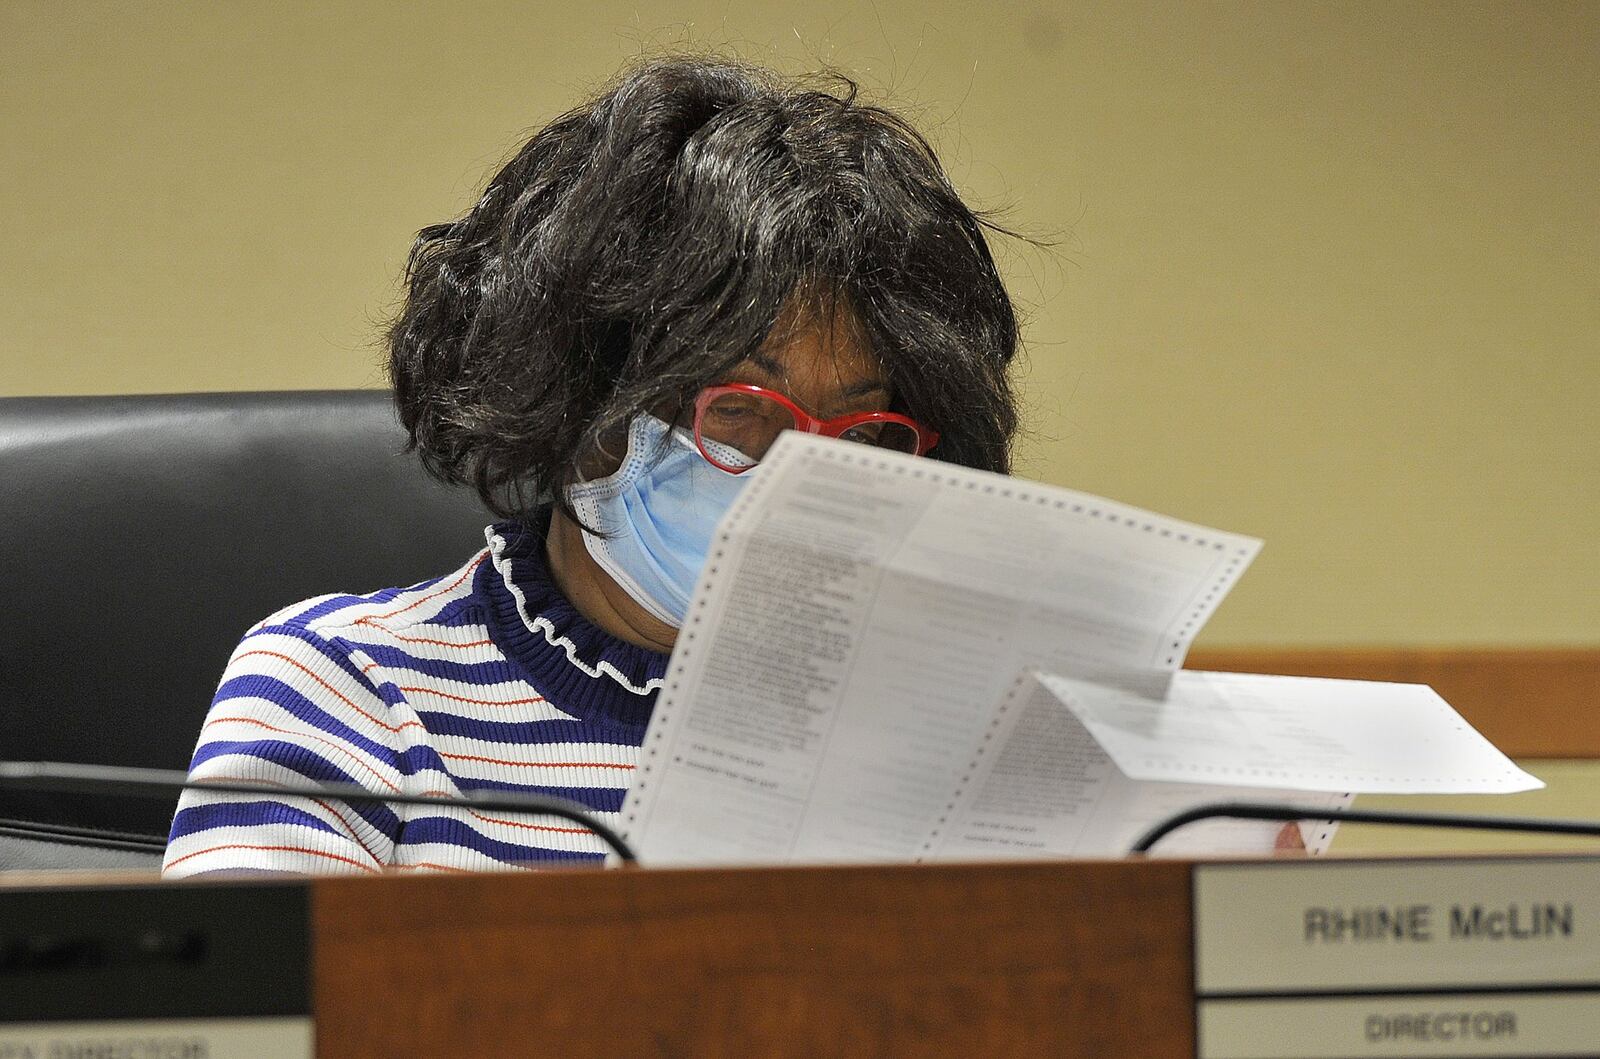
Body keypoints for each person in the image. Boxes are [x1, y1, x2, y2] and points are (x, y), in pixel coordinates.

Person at [161, 56, 1021, 876]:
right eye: (740, 407)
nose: (801, 474)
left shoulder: (935, 729)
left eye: (862, 434)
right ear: (581, 397)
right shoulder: (348, 693)